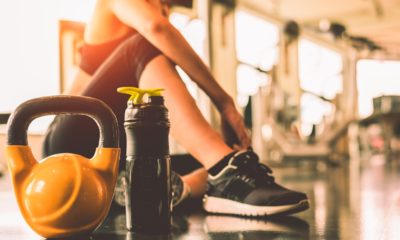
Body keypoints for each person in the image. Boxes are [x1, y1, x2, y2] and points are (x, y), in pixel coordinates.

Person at [43, 0, 309, 216]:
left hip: (117, 154)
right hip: (70, 144)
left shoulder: (156, 9)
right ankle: (225, 172)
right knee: (143, 44)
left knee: (216, 153)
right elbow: (156, 28)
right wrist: (224, 102)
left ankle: (164, 188)